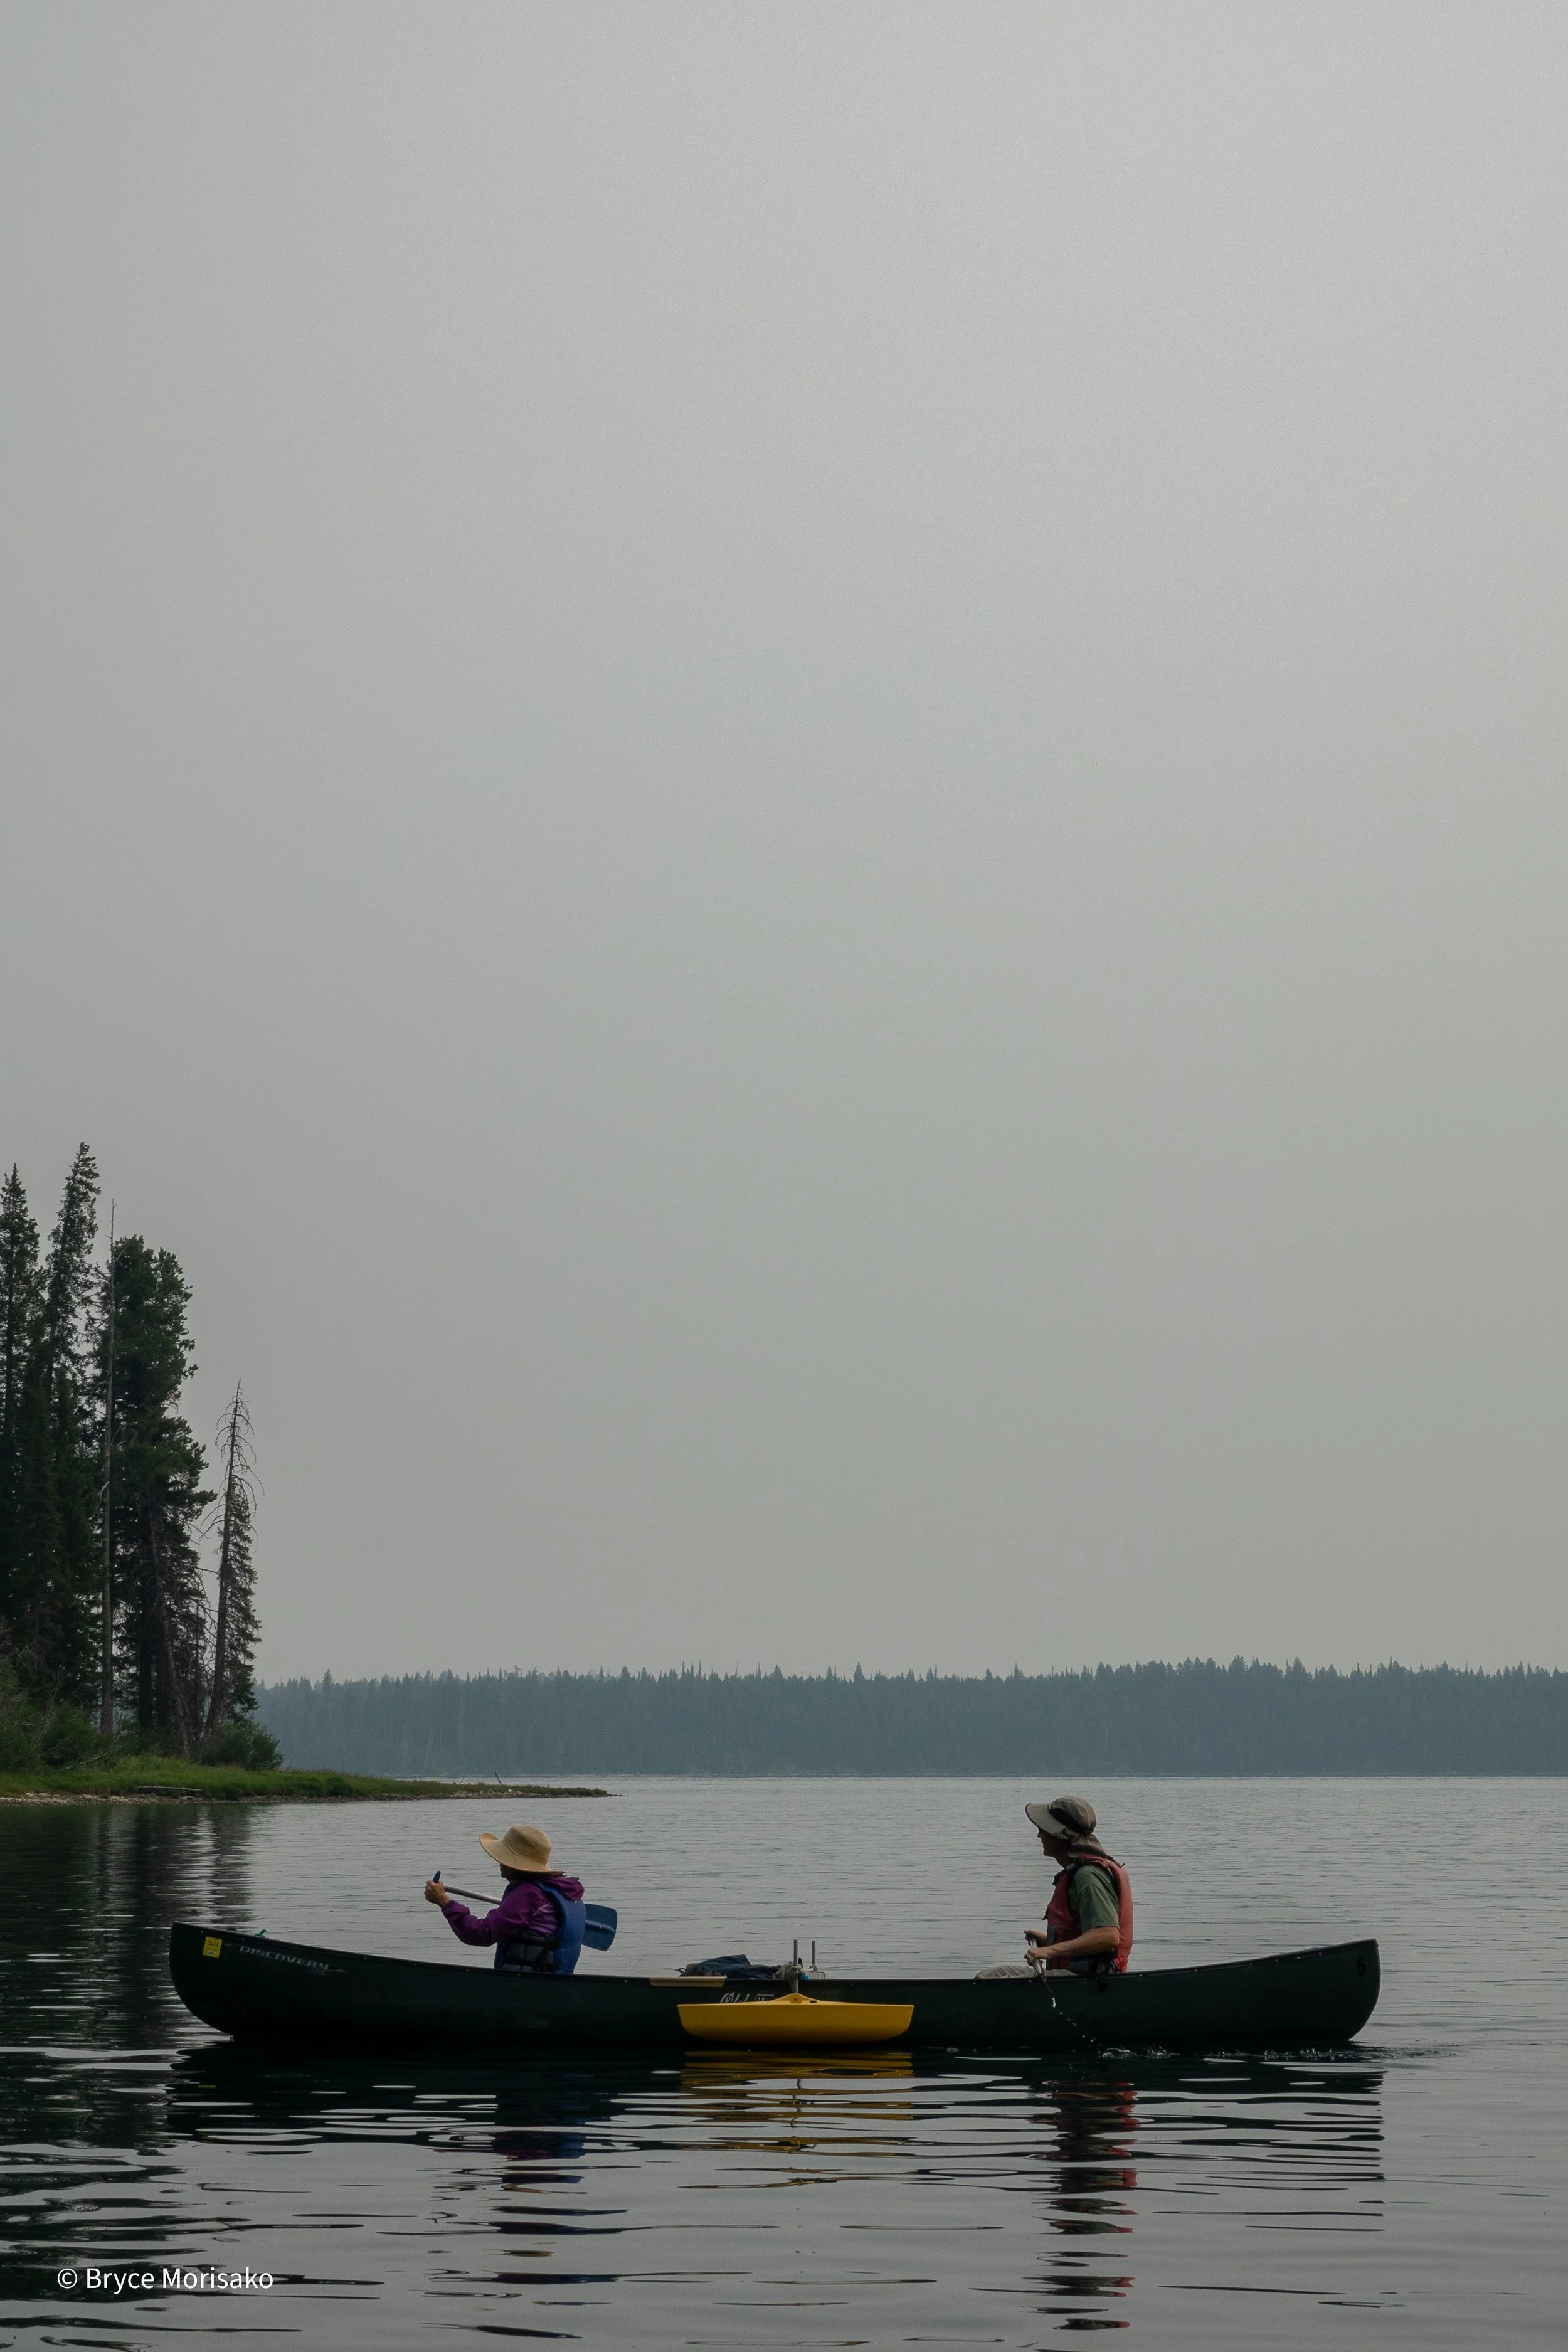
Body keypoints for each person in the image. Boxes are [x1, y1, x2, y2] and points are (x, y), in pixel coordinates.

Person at [976, 1795, 1133, 1979]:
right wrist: (1048, 1941)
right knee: (991, 1975)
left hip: (1087, 1980)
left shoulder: (1088, 1877)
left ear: (1060, 1836)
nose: (1039, 1835)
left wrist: (1050, 1951)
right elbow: (1087, 1936)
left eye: (1043, 1829)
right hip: (1080, 1974)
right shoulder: (1081, 1873)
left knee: (989, 1981)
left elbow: (1107, 1936)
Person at [424, 1822, 588, 1975]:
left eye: (505, 1857)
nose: (500, 1862)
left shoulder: (529, 1895)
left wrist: (444, 1902)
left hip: (525, 1984)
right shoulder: (561, 1890)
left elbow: (481, 1933)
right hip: (550, 1983)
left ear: (518, 1864)